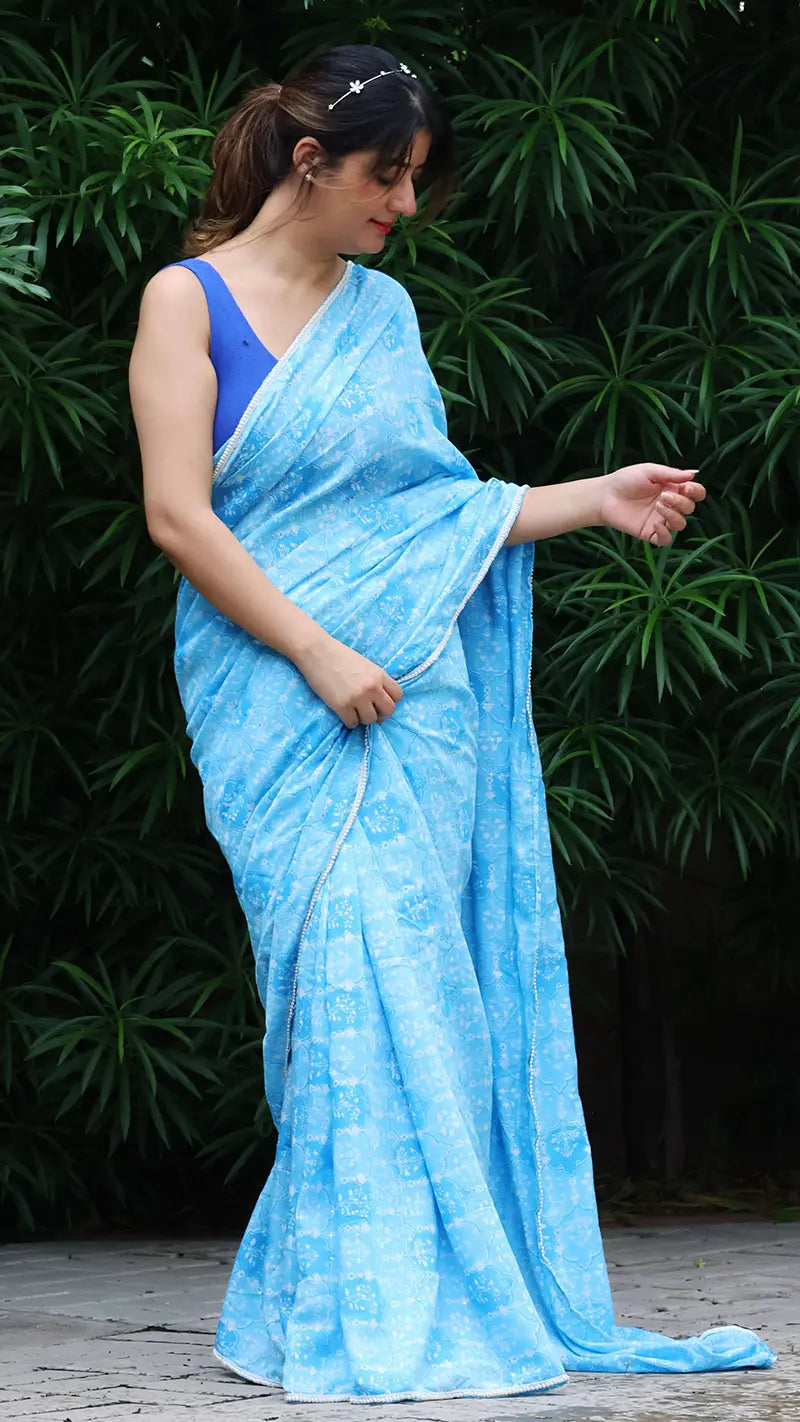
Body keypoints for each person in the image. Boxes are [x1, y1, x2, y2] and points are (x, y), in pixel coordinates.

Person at [129, 42, 774, 1405]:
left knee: (420, 995)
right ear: (312, 163)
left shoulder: (385, 317)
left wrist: (595, 497)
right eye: (388, 176)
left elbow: (435, 519)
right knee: (340, 997)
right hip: (286, 700)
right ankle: (351, 1307)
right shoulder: (185, 306)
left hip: (414, 703)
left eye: (414, 182)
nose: (404, 207)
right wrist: (315, 652)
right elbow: (180, 515)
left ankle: (390, 1301)